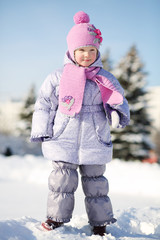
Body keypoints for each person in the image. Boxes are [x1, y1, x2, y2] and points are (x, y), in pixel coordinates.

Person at [31, 11, 130, 236]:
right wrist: (42, 130)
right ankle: (55, 218)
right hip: (64, 136)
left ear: (97, 51)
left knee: (96, 183)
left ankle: (100, 222)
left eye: (91, 50)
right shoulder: (57, 77)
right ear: (72, 51)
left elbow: (118, 99)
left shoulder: (104, 77)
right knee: (61, 181)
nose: (86, 55)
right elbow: (44, 104)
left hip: (94, 137)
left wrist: (116, 111)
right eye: (81, 50)